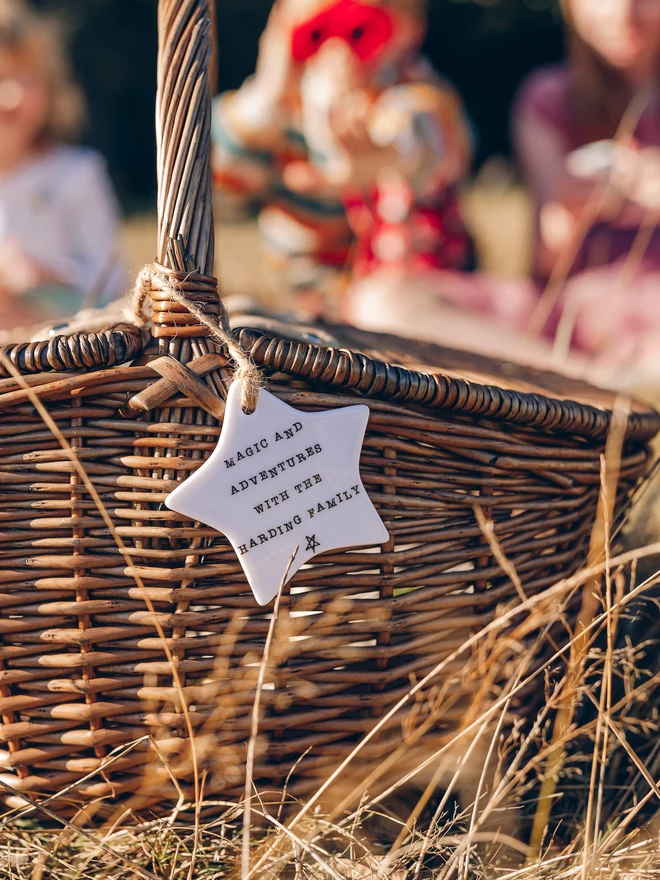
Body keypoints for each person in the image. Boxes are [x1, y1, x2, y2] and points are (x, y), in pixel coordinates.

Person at [211, 0, 475, 320]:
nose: (339, 52)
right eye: (318, 32)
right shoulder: (282, 114)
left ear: (411, 27)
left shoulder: (413, 92)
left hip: (409, 294)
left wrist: (379, 154)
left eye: (361, 30)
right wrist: (266, 96)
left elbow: (426, 141)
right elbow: (217, 189)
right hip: (305, 297)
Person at [513, 0, 660, 364]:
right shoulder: (547, 99)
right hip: (578, 318)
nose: (623, 12)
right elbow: (546, 263)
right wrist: (571, 210)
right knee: (391, 303)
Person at [0, 0, 125, 334]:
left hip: (68, 334)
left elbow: (112, 282)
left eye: (26, 78)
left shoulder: (78, 173)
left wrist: (48, 274)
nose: (12, 94)